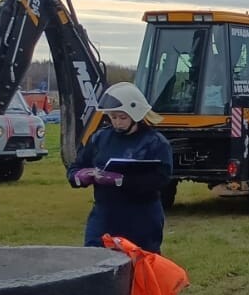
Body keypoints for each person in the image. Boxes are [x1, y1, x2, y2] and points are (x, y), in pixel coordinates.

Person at [67, 83, 175, 254]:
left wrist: (121, 181)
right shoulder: (99, 138)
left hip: (141, 217)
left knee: (139, 266)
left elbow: (162, 178)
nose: (117, 123)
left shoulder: (155, 143)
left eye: (122, 117)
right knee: (94, 260)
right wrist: (80, 176)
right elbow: (75, 167)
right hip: (104, 215)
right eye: (113, 117)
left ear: (136, 114)